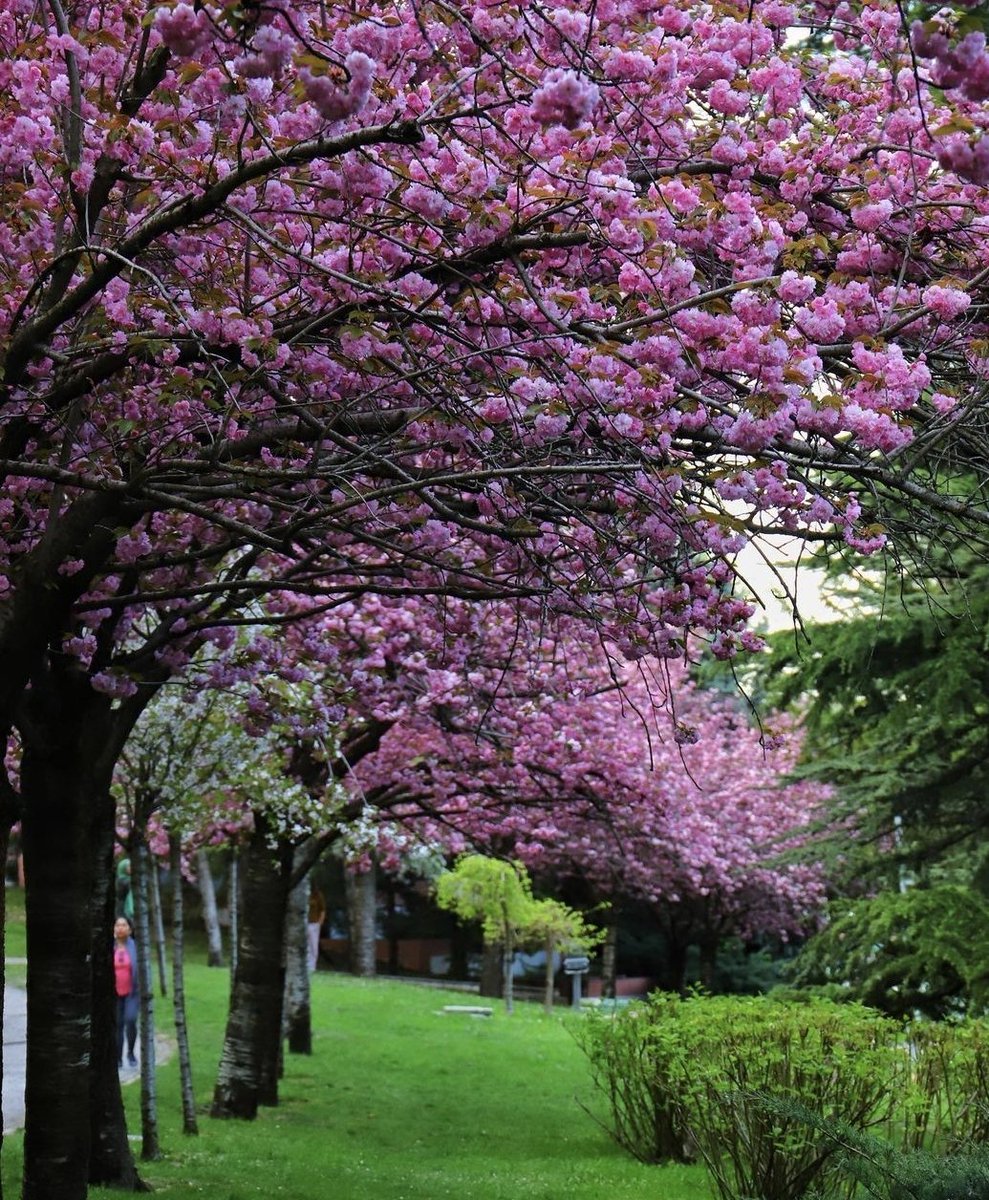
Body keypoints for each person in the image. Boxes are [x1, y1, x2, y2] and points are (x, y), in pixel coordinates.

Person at [113, 915, 139, 1069]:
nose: (120, 928)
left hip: (132, 993)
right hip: (115, 994)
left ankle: (130, 1052)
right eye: (117, 925)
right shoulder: (110, 947)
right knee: (118, 1025)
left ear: (129, 929)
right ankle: (118, 1058)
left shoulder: (135, 947)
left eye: (123, 925)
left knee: (130, 1021)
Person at [307, 886, 326, 973]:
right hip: (303, 923)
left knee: (313, 945)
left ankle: (312, 966)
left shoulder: (317, 895)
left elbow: (322, 910)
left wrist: (319, 923)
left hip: (313, 923)